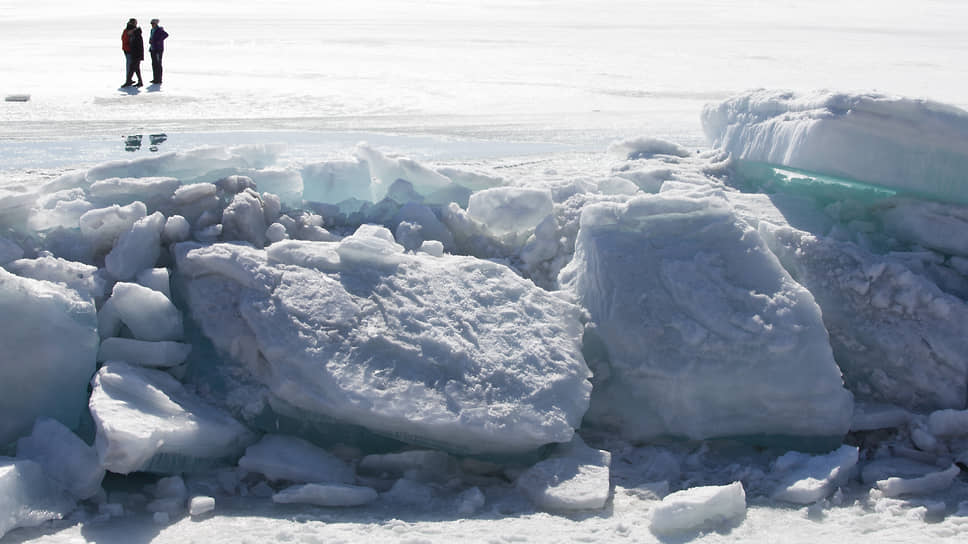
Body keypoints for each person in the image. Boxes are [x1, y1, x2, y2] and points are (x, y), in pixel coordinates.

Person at [123, 19, 144, 87]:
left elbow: (138, 46)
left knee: (132, 67)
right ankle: (137, 81)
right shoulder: (132, 33)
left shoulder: (136, 36)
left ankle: (129, 81)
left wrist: (139, 55)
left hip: (134, 54)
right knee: (135, 68)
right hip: (133, 53)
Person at [148, 18, 169, 85]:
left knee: (158, 64)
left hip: (158, 50)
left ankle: (159, 79)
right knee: (154, 64)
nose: (152, 25)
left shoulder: (159, 29)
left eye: (153, 23)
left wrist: (158, 41)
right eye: (151, 23)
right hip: (153, 49)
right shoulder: (152, 30)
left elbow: (166, 35)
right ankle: (155, 78)